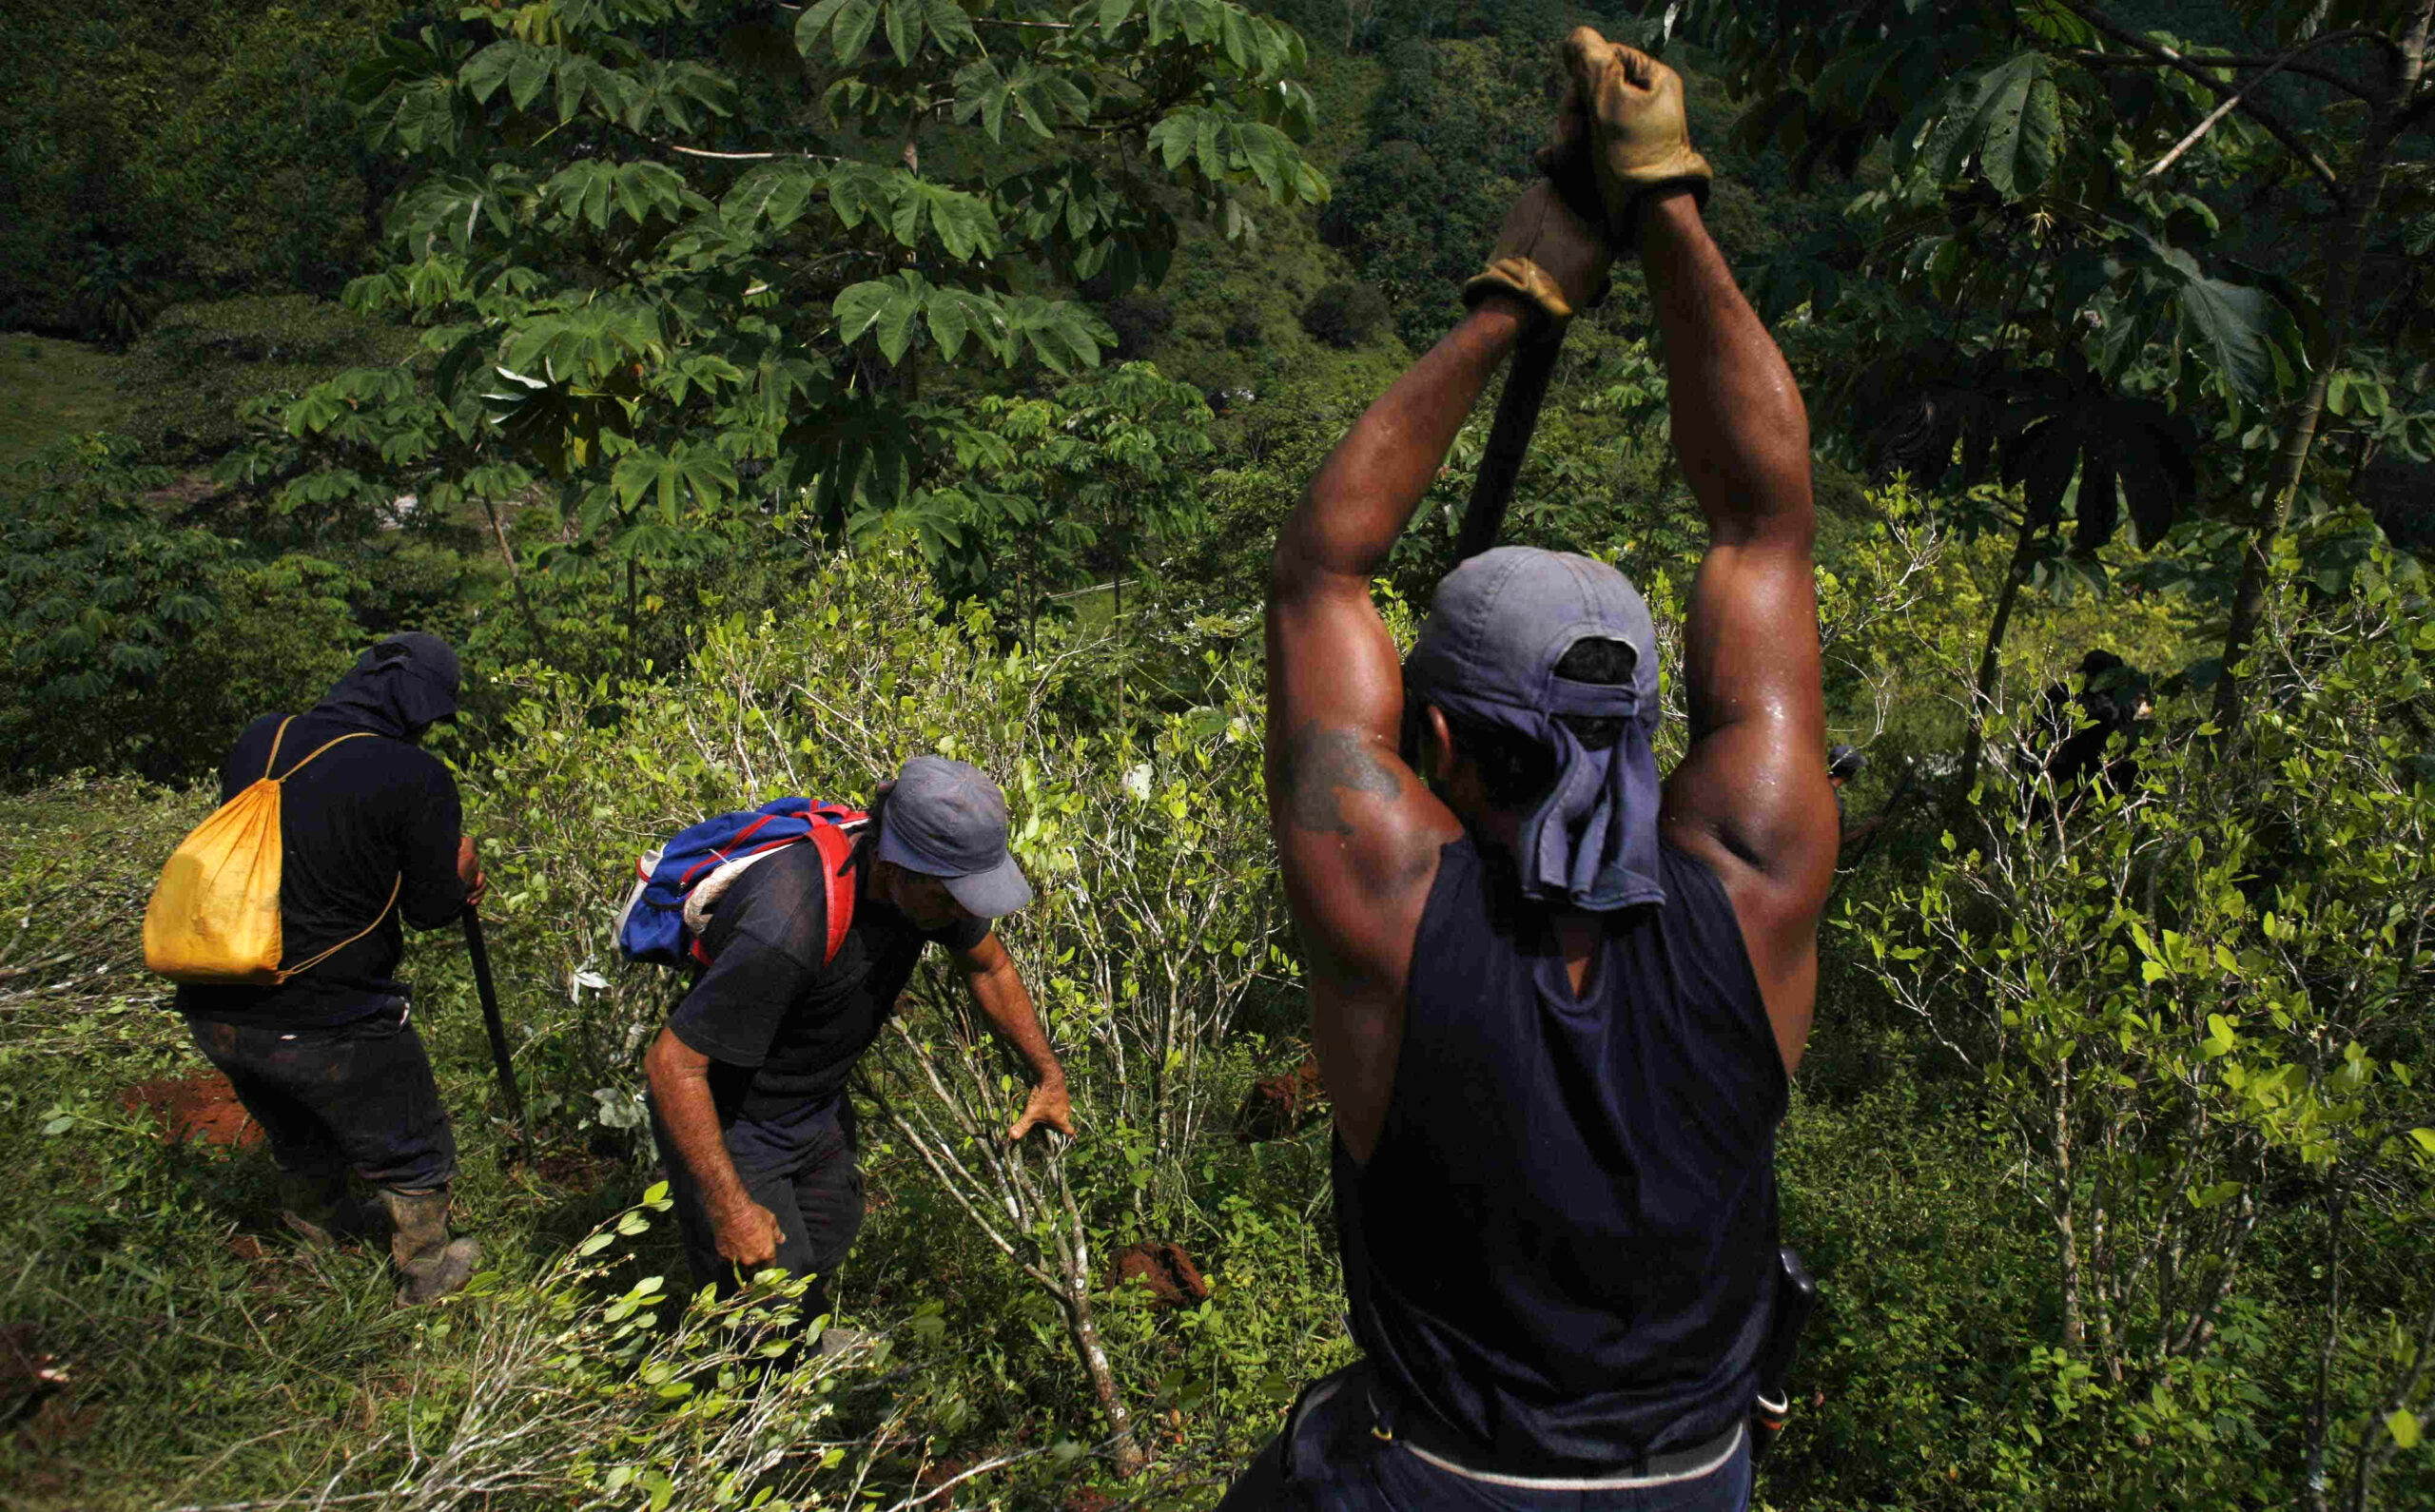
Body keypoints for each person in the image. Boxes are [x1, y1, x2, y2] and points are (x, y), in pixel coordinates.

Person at [1228, 30, 1839, 1511]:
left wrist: (1516, 294)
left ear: (1433, 744)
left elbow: (1324, 571)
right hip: (1693, 1479)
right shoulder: (1757, 885)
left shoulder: (1386, 908)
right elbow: (1763, 519)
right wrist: (1668, 203)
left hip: (1444, 1481)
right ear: (1650, 729)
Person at [642, 756, 1074, 1333]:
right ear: (897, 867)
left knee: (827, 1236)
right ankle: (749, 1402)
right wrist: (728, 1206)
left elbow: (990, 970)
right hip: (731, 1124)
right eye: (954, 894)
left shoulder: (929, 892)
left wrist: (1048, 1077)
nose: (965, 910)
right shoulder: (790, 923)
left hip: (813, 1109)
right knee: (764, 1308)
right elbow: (672, 1066)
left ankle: (800, 1345)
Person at [177, 632, 490, 1306]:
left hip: (216, 1001)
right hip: (327, 1015)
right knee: (410, 1141)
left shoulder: (261, 737)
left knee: (296, 1126)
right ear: (413, 701)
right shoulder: (415, 776)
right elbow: (433, 909)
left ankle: (314, 1242)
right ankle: (427, 1267)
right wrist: (459, 874)